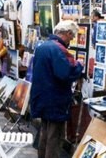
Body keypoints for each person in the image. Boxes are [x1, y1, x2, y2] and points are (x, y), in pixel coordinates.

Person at [30, 20, 83, 158]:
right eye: (72, 36)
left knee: (45, 133)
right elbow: (65, 73)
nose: (71, 40)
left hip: (42, 97)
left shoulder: (42, 46)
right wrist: (79, 65)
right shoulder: (58, 49)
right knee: (54, 136)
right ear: (67, 33)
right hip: (54, 99)